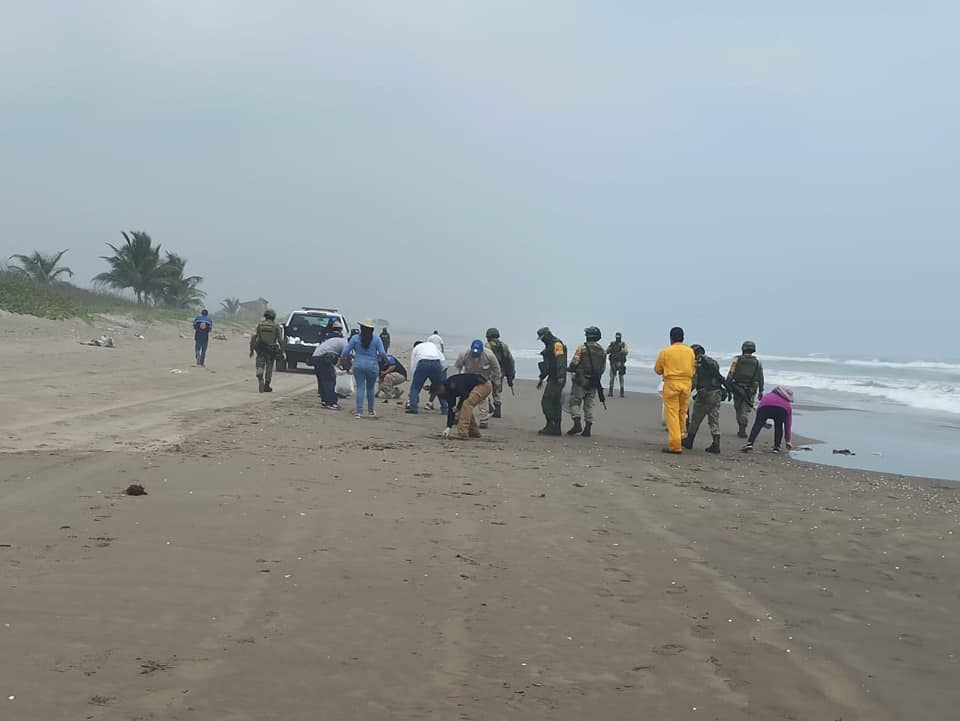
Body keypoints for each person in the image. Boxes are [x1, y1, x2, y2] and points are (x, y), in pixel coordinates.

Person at [683, 344, 735, 453]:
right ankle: (716, 444)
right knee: (714, 420)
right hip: (717, 394)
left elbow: (695, 380)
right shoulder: (713, 362)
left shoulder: (697, 364)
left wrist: (686, 392)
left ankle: (689, 441)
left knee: (696, 419)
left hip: (704, 395)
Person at [654, 327, 696, 454]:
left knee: (671, 413)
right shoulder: (690, 352)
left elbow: (657, 369)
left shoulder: (666, 352)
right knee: (682, 412)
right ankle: (681, 435)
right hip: (687, 383)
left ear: (671, 338)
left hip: (672, 383)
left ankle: (675, 444)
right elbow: (693, 369)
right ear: (683, 337)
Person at [340, 320, 388, 418]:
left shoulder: (355, 338)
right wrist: (386, 360)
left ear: (361, 328)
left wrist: (343, 360)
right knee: (370, 388)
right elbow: (382, 353)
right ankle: (371, 411)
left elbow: (345, 352)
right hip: (372, 366)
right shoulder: (376, 339)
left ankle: (359, 412)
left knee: (360, 387)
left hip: (358, 365)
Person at [566, 326, 607, 437]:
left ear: (587, 336)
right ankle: (587, 429)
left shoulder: (582, 348)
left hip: (580, 380)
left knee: (574, 402)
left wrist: (570, 369)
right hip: (594, 382)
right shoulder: (603, 351)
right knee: (589, 405)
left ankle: (577, 423)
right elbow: (602, 369)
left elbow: (574, 363)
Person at [454, 340, 502, 428]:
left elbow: (496, 368)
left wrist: (497, 382)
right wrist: (456, 379)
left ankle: (484, 420)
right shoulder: (464, 354)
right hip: (468, 377)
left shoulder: (489, 355)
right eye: (474, 352)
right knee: (463, 397)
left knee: (483, 399)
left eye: (478, 352)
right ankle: (457, 416)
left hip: (483, 379)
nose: (475, 354)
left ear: (482, 350)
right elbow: (457, 367)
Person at [436, 372, 491, 440]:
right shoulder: (448, 391)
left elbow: (464, 395)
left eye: (439, 391)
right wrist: (448, 427)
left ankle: (463, 433)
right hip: (478, 386)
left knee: (466, 404)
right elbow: (451, 409)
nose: (440, 394)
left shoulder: (453, 383)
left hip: (483, 385)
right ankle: (474, 432)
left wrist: (458, 407)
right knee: (465, 407)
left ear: (441, 386)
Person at [727, 340, 765, 438]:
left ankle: (741, 429)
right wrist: (761, 390)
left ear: (743, 348)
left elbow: (731, 373)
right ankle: (742, 429)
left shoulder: (737, 359)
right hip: (751, 390)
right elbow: (760, 377)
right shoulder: (757, 362)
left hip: (737, 388)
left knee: (738, 408)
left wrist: (728, 386)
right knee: (745, 409)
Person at [742, 386, 794, 453]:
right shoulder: (787, 405)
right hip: (781, 410)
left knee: (757, 424)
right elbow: (788, 425)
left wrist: (762, 423)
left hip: (764, 407)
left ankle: (749, 443)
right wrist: (788, 441)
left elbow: (759, 411)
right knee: (778, 426)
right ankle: (776, 447)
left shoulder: (768, 395)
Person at [535, 327, 567, 436]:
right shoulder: (551, 345)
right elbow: (547, 366)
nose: (542, 340)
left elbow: (560, 360)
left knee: (547, 401)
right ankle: (556, 427)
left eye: (543, 338)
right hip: (554, 377)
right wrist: (541, 378)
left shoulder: (557, 345)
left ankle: (551, 425)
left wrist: (561, 375)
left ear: (547, 335)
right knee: (555, 402)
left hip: (556, 378)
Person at [406, 340, 447, 414]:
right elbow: (442, 359)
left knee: (415, 387)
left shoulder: (416, 348)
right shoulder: (432, 345)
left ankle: (414, 407)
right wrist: (442, 371)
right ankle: (445, 408)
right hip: (436, 363)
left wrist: (415, 376)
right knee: (439, 387)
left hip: (423, 363)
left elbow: (413, 364)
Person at [249, 309, 285, 393]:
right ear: (273, 316)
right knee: (269, 368)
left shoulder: (260, 325)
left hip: (261, 349)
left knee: (260, 365)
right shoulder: (276, 326)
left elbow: (253, 338)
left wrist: (251, 350)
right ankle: (267, 385)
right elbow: (280, 340)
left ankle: (260, 379)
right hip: (271, 350)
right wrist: (282, 350)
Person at [311, 323, 346, 409]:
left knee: (323, 380)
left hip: (315, 356)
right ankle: (331, 402)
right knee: (330, 380)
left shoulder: (330, 337)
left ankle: (325, 401)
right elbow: (345, 357)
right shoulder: (344, 342)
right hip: (323, 358)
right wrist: (346, 368)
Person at [484, 328, 516, 419]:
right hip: (500, 372)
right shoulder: (504, 345)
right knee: (496, 391)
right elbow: (510, 360)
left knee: (484, 390)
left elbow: (484, 358)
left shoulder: (487, 346)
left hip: (489, 371)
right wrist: (511, 373)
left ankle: (489, 407)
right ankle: (497, 411)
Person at [606, 332, 628, 398]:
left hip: (618, 363)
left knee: (614, 378)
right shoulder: (620, 344)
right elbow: (626, 352)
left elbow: (607, 351)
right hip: (616, 363)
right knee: (617, 378)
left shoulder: (621, 344)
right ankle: (619, 393)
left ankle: (613, 392)